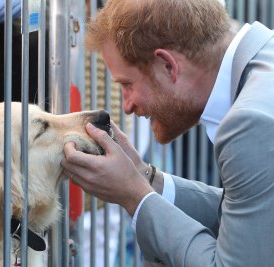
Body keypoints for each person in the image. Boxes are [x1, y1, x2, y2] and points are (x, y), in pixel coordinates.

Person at [60, 0, 274, 266]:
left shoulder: (249, 122)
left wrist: (134, 196)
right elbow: (251, 215)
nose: (126, 106)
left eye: (127, 84)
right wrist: (144, 177)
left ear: (168, 66)